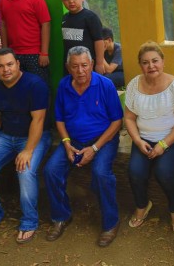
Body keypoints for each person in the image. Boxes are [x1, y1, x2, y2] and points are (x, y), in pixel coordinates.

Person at [44, 46, 123, 247]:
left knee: (101, 173)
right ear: (68, 67)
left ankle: (111, 223)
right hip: (73, 141)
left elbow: (116, 122)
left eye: (84, 65)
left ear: (91, 65)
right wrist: (67, 144)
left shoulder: (105, 85)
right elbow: (60, 119)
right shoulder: (64, 86)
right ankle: (61, 216)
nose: (80, 71)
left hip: (103, 140)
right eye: (75, 66)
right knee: (51, 170)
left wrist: (95, 148)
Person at [0, 48, 51, 244]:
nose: (5, 69)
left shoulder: (35, 84)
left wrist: (28, 150)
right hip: (7, 135)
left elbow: (38, 120)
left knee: (25, 170)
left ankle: (29, 221)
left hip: (35, 136)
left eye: (9, 64)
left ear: (17, 64)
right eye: (0, 66)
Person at [124, 41, 174, 235]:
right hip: (143, 139)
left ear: (162, 62)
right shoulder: (134, 85)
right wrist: (137, 140)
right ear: (140, 65)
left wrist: (163, 144)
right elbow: (128, 117)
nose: (151, 66)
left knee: (163, 170)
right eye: (145, 62)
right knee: (135, 171)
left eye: (155, 61)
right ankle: (142, 205)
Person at [0, 0, 51, 83]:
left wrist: (44, 53)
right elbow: (4, 26)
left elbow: (46, 24)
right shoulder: (4, 1)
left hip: (34, 53)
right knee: (17, 86)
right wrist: (5, 50)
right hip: (13, 53)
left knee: (39, 85)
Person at [60, 0, 105, 75]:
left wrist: (100, 64)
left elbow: (99, 41)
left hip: (87, 65)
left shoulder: (90, 17)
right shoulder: (64, 18)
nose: (71, 1)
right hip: (70, 65)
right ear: (62, 0)